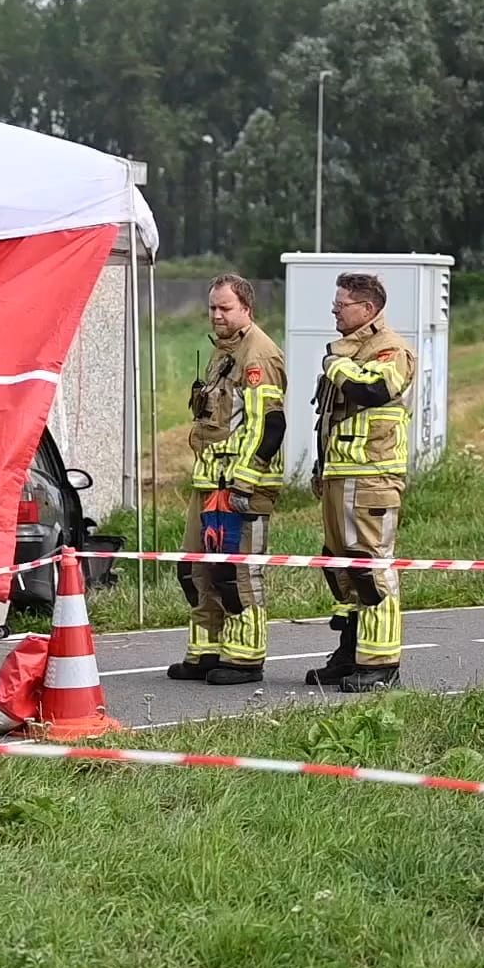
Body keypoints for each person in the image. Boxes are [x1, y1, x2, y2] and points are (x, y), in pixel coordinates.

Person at [166, 273, 287, 685]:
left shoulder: (259, 355)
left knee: (236, 573)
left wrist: (245, 483)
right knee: (195, 568)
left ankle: (245, 658)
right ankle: (206, 651)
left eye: (225, 308)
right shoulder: (223, 354)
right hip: (209, 480)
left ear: (247, 309)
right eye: (213, 308)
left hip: (238, 486)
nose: (216, 315)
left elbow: (268, 425)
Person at [306, 272, 418, 693]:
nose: (335, 310)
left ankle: (381, 663)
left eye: (342, 304)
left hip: (373, 476)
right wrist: (321, 468)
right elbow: (330, 421)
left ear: (368, 309)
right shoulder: (350, 350)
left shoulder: (391, 350)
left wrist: (337, 366)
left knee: (371, 567)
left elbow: (373, 391)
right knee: (340, 567)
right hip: (340, 474)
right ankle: (350, 653)